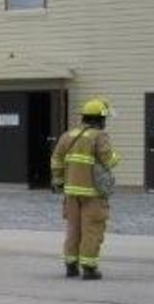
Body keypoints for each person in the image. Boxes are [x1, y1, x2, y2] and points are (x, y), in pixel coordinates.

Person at [50, 98, 121, 280]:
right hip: (93, 193)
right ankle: (89, 268)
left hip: (71, 192)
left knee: (73, 229)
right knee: (92, 229)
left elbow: (56, 160)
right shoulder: (99, 136)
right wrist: (116, 157)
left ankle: (71, 265)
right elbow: (109, 160)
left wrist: (58, 180)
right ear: (100, 119)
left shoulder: (68, 135)